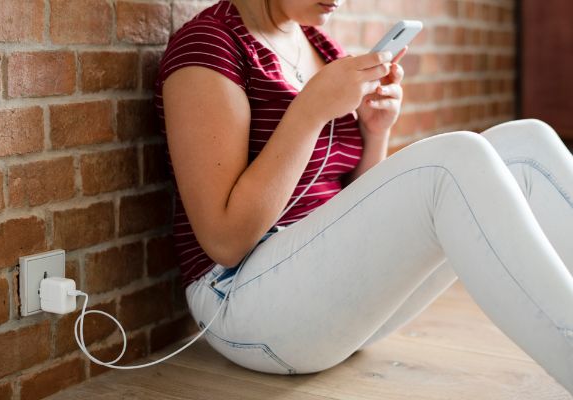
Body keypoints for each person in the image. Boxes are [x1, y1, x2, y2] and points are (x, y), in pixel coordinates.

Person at [154, 0, 573, 393]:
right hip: (241, 305)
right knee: (451, 160)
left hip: (329, 302)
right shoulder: (209, 46)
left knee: (526, 142)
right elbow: (225, 242)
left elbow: (353, 212)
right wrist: (310, 110)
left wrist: (376, 130)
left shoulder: (317, 45)